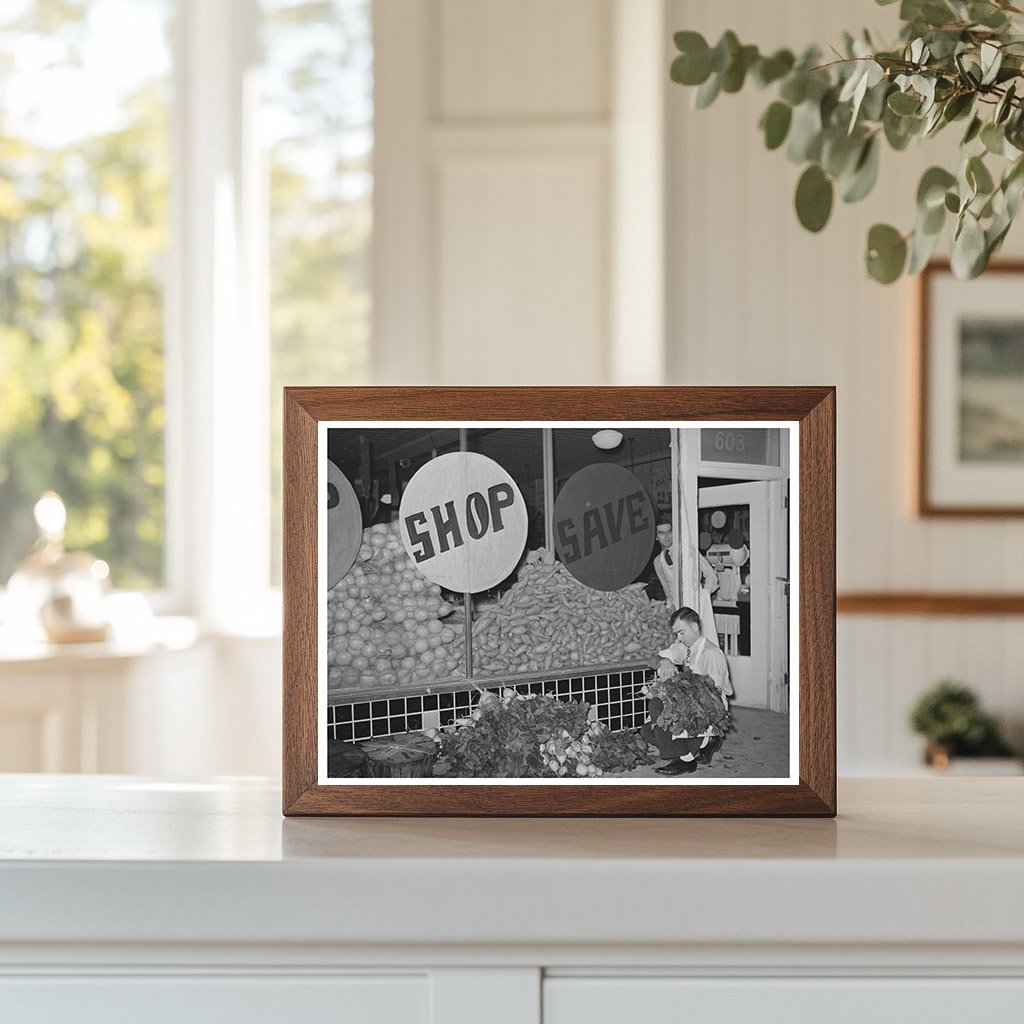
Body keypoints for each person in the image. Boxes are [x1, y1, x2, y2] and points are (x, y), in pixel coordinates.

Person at [642, 606, 733, 776]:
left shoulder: (711, 653)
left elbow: (713, 695)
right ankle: (705, 743)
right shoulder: (685, 648)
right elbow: (653, 659)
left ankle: (687, 759)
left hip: (709, 708)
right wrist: (665, 662)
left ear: (694, 627)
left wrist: (680, 698)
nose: (679, 638)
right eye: (676, 634)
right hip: (689, 702)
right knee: (647, 731)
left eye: (681, 632)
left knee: (657, 706)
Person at [652, 514, 719, 641]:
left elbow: (711, 574)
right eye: (661, 533)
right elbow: (667, 591)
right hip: (678, 609)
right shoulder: (658, 562)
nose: (666, 536)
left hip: (697, 604)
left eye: (669, 531)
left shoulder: (688, 551)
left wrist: (704, 594)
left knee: (704, 642)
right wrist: (669, 608)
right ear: (656, 537)